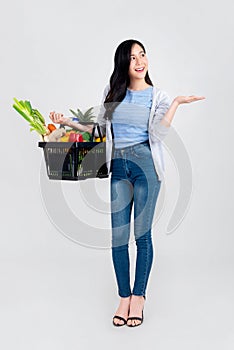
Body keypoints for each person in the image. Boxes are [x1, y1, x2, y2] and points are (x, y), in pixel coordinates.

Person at [49, 39, 205, 328]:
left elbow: (158, 134)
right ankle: (124, 297)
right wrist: (67, 122)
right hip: (119, 169)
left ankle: (139, 297)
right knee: (118, 239)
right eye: (133, 57)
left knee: (142, 237)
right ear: (124, 63)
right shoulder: (112, 92)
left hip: (146, 169)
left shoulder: (157, 96)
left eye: (142, 54)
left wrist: (176, 104)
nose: (140, 61)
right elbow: (97, 128)